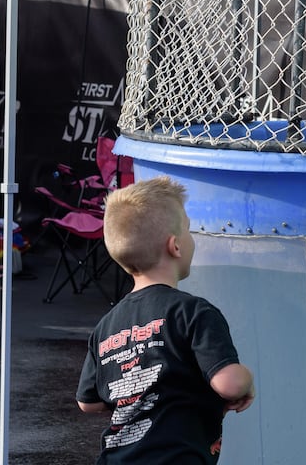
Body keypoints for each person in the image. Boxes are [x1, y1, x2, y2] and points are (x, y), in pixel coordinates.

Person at [77, 176, 254, 464]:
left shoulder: (106, 326)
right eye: (188, 229)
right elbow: (230, 384)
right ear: (175, 246)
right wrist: (247, 381)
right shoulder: (194, 313)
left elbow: (88, 401)